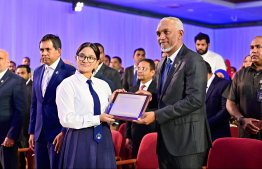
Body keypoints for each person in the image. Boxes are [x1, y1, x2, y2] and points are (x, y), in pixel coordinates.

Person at [135, 17, 212, 168]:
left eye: (166, 32)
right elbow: (167, 97)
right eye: (158, 33)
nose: (161, 37)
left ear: (180, 34)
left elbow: (195, 100)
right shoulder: (164, 62)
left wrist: (156, 115)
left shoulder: (193, 60)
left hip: (188, 142)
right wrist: (150, 98)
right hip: (166, 140)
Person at [56, 42, 116, 169]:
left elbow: (109, 113)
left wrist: (117, 102)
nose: (85, 60)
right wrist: (98, 118)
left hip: (104, 137)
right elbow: (66, 119)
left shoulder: (103, 85)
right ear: (76, 58)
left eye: (91, 58)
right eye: (82, 56)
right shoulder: (67, 85)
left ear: (97, 62)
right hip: (79, 138)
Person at [28, 34, 76, 169]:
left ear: (58, 51)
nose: (44, 53)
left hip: (58, 133)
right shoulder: (37, 72)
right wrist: (32, 131)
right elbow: (35, 103)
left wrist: (64, 132)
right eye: (42, 50)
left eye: (48, 49)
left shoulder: (69, 72)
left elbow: (72, 105)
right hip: (39, 134)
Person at [224, 36, 262, 140]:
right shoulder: (240, 74)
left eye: (258, 47)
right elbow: (230, 102)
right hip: (245, 134)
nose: (253, 51)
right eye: (251, 47)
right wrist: (241, 120)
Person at [0, 49, 27, 169]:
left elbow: (20, 111)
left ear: (7, 62)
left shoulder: (16, 80)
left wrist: (11, 135)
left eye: (0, 58)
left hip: (6, 138)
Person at [125, 59, 157, 158]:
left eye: (143, 68)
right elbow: (129, 114)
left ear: (152, 72)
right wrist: (128, 135)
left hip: (153, 133)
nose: (139, 71)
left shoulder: (158, 88)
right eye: (138, 68)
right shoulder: (133, 89)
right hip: (136, 134)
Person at [204, 61, 231, 165]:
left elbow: (225, 111)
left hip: (217, 135)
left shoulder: (224, 84)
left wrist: (206, 125)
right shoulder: (195, 86)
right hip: (199, 137)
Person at [16, 65, 32, 169]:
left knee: (29, 159)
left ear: (29, 74)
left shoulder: (34, 87)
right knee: (18, 159)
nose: (20, 75)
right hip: (16, 129)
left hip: (28, 129)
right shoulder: (14, 86)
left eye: (22, 73)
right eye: (18, 73)